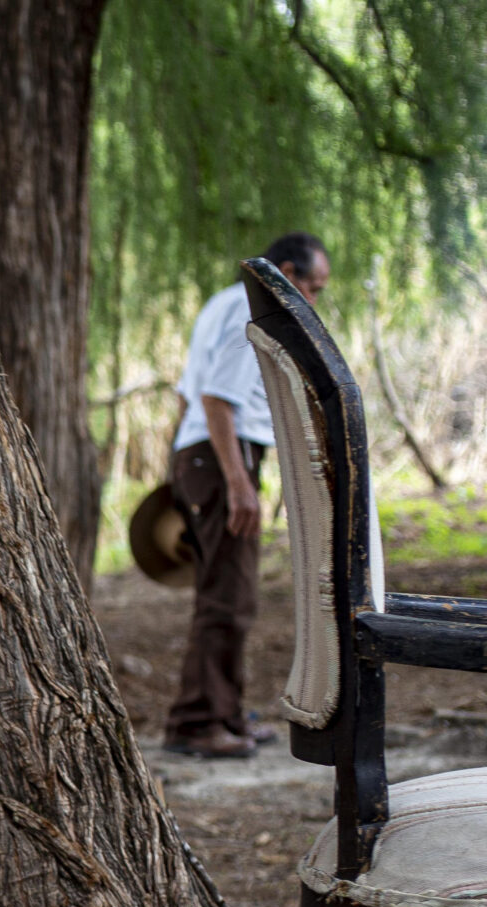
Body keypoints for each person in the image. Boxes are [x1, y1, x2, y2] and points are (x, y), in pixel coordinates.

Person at [162, 232, 331, 759]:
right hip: (221, 458)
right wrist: (238, 485)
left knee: (225, 590)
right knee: (229, 598)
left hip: (203, 458)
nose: (314, 301)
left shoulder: (223, 301)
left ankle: (226, 713)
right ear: (286, 271)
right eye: (314, 287)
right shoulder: (250, 315)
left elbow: (188, 392)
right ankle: (197, 722)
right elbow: (215, 400)